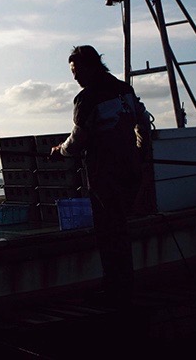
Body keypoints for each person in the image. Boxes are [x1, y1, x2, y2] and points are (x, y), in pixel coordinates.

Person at [49, 45, 151, 308]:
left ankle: (116, 289)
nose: (74, 77)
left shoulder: (87, 99)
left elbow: (78, 140)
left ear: (92, 66)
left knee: (108, 231)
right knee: (121, 229)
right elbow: (143, 121)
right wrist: (140, 150)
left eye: (77, 70)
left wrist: (59, 151)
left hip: (105, 174)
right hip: (131, 170)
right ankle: (124, 284)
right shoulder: (125, 90)